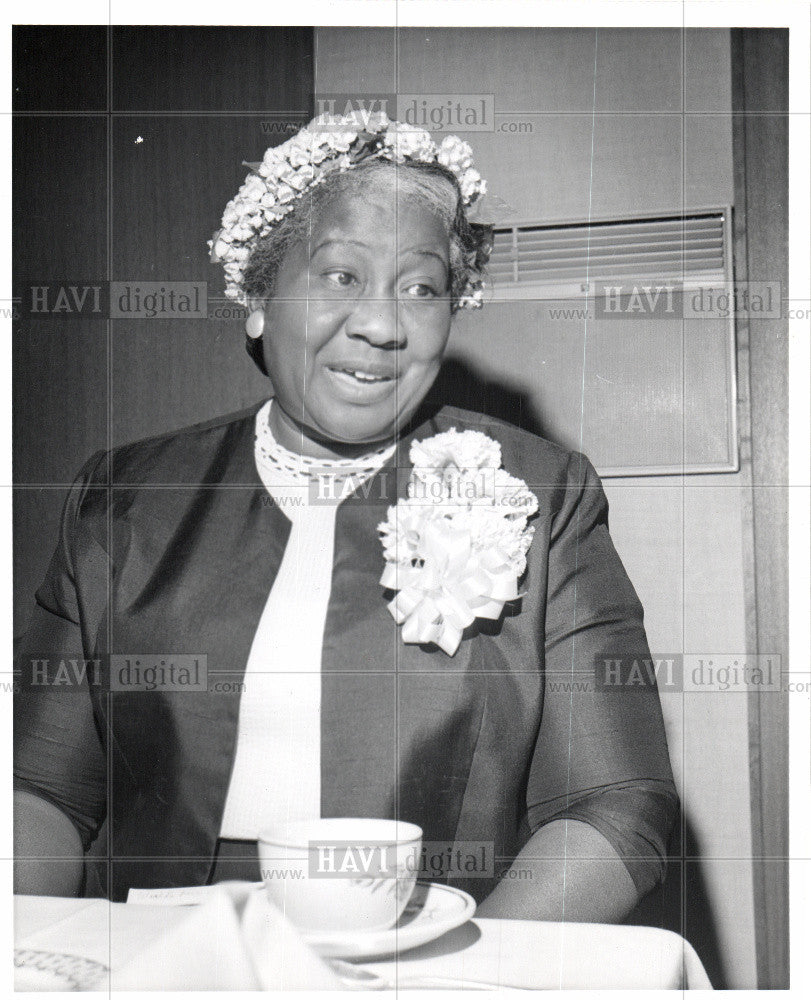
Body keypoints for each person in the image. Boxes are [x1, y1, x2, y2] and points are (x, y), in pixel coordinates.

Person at [14, 113, 677, 921]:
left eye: (421, 287)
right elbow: (39, 787)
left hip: (439, 950)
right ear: (257, 296)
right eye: (340, 276)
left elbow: (617, 806)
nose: (382, 324)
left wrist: (462, 980)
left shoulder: (541, 492)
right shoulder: (124, 498)